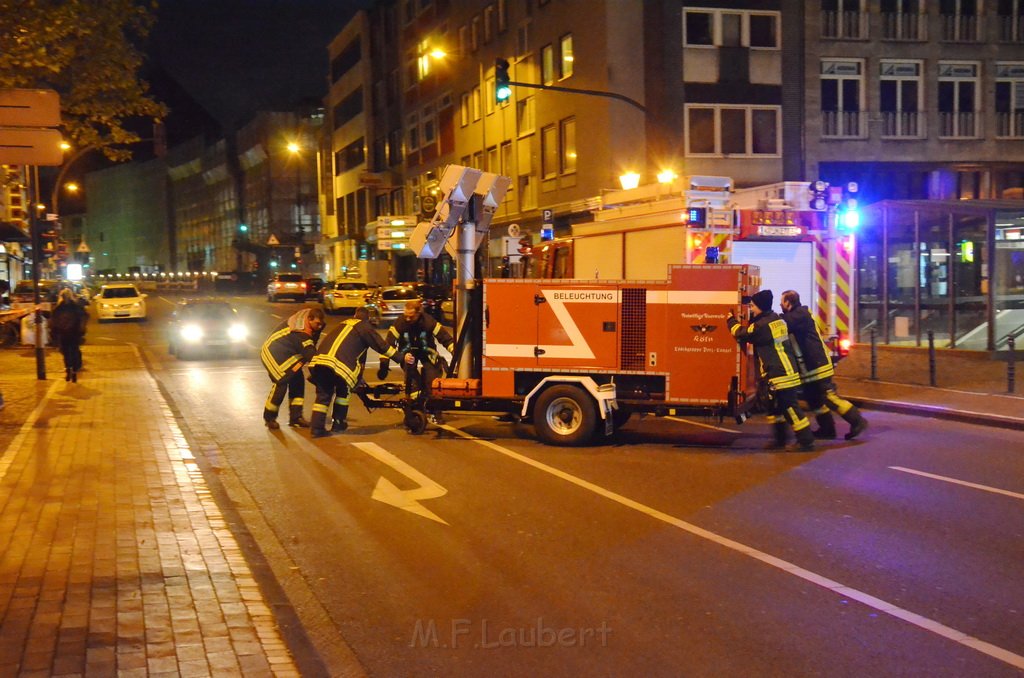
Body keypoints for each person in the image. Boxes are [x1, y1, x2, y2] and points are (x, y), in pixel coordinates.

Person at [727, 289, 815, 452]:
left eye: (752, 306)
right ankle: (780, 440)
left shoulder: (762, 326)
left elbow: (741, 334)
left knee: (790, 408)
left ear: (760, 306)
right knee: (775, 408)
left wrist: (730, 320)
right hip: (785, 370)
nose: (751, 309)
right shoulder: (776, 319)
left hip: (780, 374)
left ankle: (806, 440)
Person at [780, 290, 868, 440]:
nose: (781, 306)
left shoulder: (800, 314)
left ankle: (857, 420)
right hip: (808, 367)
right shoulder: (797, 315)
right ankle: (827, 429)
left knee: (828, 397)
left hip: (816, 366)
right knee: (814, 400)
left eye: (781, 303)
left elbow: (783, 323)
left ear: (788, 303)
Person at [307, 308, 397, 438]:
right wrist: (401, 358)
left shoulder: (345, 324)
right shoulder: (364, 327)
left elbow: (360, 355)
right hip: (337, 366)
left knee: (323, 396)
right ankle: (338, 423)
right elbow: (381, 347)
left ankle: (316, 429)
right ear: (368, 319)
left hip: (319, 362)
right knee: (343, 393)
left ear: (355, 315)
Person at [377, 298, 455, 405]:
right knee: (412, 379)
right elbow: (388, 343)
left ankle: (433, 406)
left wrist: (455, 353)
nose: (408, 319)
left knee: (432, 379)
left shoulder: (429, 322)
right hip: (407, 353)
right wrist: (384, 364)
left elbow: (446, 338)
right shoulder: (400, 323)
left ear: (419, 313)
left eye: (411, 316)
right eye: (406, 316)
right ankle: (414, 406)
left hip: (427, 351)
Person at [260, 307, 325, 429]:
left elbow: (312, 343)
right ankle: (269, 418)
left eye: (321, 324)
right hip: (273, 354)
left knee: (298, 380)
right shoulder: (300, 333)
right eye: (317, 324)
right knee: (281, 382)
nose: (320, 327)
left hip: (288, 354)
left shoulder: (309, 320)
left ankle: (296, 418)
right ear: (309, 320)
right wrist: (321, 372)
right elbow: (311, 355)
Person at [50, 288, 89, 382]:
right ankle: (75, 370)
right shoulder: (76, 306)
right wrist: (82, 329)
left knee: (66, 352)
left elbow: (53, 322)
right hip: (75, 333)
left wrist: (54, 334)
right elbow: (85, 316)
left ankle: (68, 369)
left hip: (63, 333)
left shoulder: (58, 308)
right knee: (75, 351)